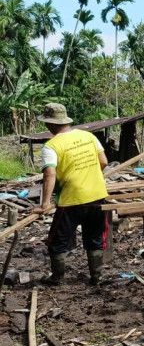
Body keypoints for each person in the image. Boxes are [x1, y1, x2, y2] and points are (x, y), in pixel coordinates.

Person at [30, 103, 109, 286]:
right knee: (95, 238)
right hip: (97, 195)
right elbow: (104, 161)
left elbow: (49, 174)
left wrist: (44, 204)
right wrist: (88, 177)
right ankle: (96, 277)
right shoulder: (88, 136)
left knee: (57, 241)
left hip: (71, 200)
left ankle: (57, 277)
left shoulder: (51, 145)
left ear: (49, 124)